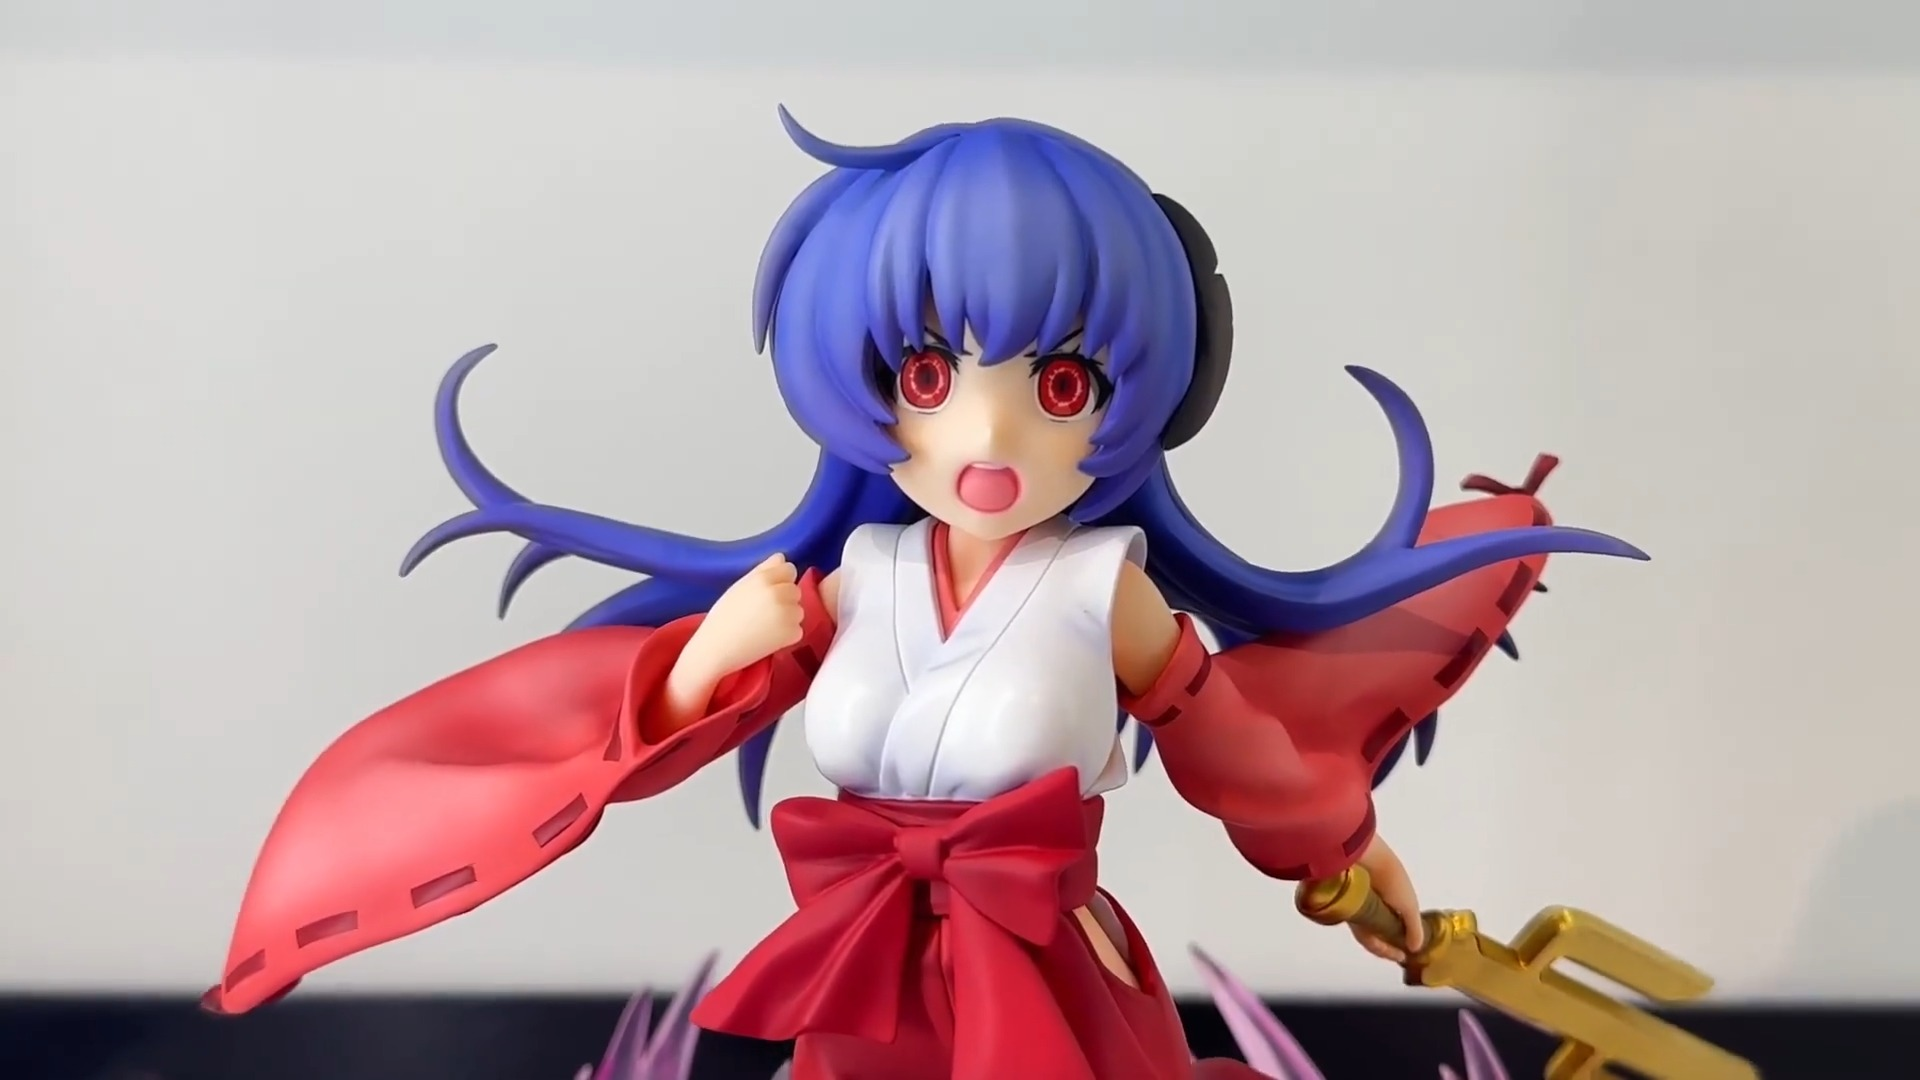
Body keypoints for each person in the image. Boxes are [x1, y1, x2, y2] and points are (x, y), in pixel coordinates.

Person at [201, 109, 1646, 1080]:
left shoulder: (1104, 588)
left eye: (1060, 385)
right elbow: (657, 728)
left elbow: (1237, 754)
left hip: (1050, 986)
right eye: (930, 375)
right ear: (864, 383)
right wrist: (710, 658)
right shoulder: (851, 583)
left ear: (1142, 398)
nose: (988, 435)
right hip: (865, 985)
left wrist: (1349, 864)